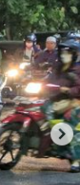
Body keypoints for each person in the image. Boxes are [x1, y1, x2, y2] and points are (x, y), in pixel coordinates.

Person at [41, 40, 80, 172]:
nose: (64, 55)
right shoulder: (58, 67)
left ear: (74, 55)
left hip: (74, 101)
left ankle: (76, 159)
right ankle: (49, 144)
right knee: (43, 109)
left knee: (72, 123)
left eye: (67, 53)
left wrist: (69, 91)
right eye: (62, 53)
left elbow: (78, 88)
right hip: (57, 99)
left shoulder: (77, 69)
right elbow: (48, 80)